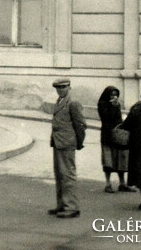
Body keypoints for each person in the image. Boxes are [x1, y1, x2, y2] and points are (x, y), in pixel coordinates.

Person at [49, 78, 86, 219]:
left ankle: (72, 207)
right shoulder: (59, 100)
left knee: (67, 175)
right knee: (59, 174)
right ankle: (61, 205)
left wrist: (78, 142)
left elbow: (81, 124)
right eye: (58, 88)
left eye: (63, 87)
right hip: (58, 142)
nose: (60, 90)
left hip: (67, 143)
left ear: (69, 87)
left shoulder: (73, 103)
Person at [97, 86, 135, 193]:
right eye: (112, 94)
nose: (114, 97)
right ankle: (108, 184)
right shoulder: (102, 104)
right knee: (108, 160)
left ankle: (122, 183)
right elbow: (105, 117)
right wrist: (112, 106)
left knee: (120, 159)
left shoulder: (117, 104)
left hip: (117, 135)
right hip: (107, 135)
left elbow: (118, 119)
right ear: (107, 95)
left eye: (116, 95)